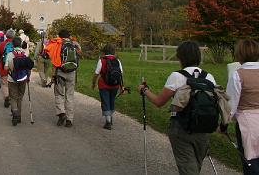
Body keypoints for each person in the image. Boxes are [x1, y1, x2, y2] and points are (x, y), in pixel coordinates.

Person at [137, 40, 218, 175]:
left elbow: (159, 102)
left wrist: (144, 91)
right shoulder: (209, 77)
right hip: (204, 126)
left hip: (181, 127)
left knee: (187, 167)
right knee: (195, 165)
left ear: (181, 57)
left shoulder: (177, 76)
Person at [227, 39, 259, 174]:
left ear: (239, 54)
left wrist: (224, 123)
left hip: (247, 122)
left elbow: (231, 104)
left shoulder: (238, 75)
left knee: (250, 162)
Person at [46, 29, 80, 127]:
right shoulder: (74, 44)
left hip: (60, 72)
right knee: (69, 96)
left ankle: (62, 113)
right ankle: (70, 119)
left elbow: (54, 62)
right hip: (72, 72)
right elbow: (79, 55)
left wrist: (53, 76)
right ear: (69, 35)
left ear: (59, 36)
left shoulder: (58, 44)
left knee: (59, 94)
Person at [92, 43, 123, 130]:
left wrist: (93, 83)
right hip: (115, 85)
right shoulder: (117, 61)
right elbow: (121, 74)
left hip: (103, 85)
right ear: (114, 52)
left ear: (104, 51)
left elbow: (96, 73)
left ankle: (108, 121)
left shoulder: (102, 60)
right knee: (111, 101)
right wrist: (121, 86)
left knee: (105, 101)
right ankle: (110, 117)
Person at [6, 36, 32, 126]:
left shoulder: (10, 54)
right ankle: (19, 116)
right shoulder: (25, 54)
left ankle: (15, 113)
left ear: (12, 44)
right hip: (23, 79)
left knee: (13, 97)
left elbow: (6, 67)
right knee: (20, 97)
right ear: (20, 44)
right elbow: (28, 68)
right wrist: (28, 77)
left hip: (12, 79)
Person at [0, 29, 16, 108]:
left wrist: (1, 60)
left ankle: (6, 96)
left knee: (4, 83)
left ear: (6, 35)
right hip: (14, 68)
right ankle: (12, 98)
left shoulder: (2, 44)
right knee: (12, 83)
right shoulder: (15, 44)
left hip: (3, 67)